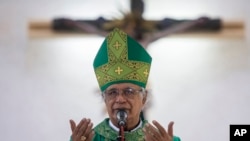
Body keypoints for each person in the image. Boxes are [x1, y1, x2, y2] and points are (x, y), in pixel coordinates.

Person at [69, 28, 181, 141]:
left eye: (129, 91)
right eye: (112, 92)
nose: (120, 99)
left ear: (144, 98)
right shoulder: (85, 139)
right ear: (104, 99)